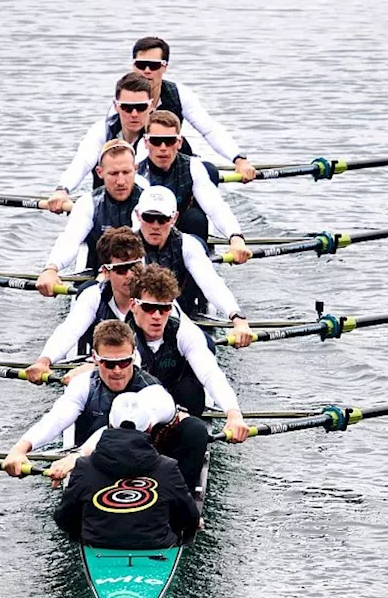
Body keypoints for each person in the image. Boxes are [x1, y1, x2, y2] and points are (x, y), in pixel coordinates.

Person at [125, 264, 250, 491]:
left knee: (196, 428)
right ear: (134, 305)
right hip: (134, 415)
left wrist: (233, 414)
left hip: (177, 412)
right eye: (149, 307)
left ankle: (182, 494)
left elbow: (211, 375)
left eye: (164, 309)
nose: (156, 316)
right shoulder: (122, 338)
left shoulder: (184, 331)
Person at [2, 320, 169, 476]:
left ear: (133, 357)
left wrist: (78, 455)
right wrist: (20, 449)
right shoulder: (84, 384)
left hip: (142, 467)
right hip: (97, 465)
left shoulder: (152, 390)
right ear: (95, 358)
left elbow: (119, 432)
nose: (117, 370)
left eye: (124, 362)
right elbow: (55, 420)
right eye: (109, 363)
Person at [53, 390, 199, 549]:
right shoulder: (168, 468)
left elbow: (63, 518)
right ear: (149, 427)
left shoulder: (84, 467)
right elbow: (190, 518)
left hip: (97, 545)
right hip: (156, 545)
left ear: (109, 425)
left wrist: (81, 534)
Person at [134, 186, 253, 347]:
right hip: (137, 316)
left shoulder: (188, 244)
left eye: (162, 219)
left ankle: (201, 308)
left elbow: (211, 283)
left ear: (174, 218)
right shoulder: (126, 246)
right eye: (149, 217)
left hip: (176, 312)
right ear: (138, 216)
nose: (155, 225)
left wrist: (237, 318)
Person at [25, 227, 145, 384]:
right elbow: (69, 331)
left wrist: (90, 369)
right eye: (121, 269)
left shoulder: (155, 300)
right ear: (106, 272)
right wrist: (44, 361)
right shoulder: (94, 295)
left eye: (134, 267)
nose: (130, 275)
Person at [130, 36, 256, 182]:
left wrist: (239, 160)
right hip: (133, 165)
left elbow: (209, 130)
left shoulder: (180, 94)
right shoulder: (122, 98)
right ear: (133, 66)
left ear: (165, 67)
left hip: (172, 162)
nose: (146, 71)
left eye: (154, 66)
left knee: (209, 171)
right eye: (141, 65)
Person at [35, 139, 146, 294]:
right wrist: (51, 269)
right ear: (100, 173)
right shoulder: (88, 203)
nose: (121, 181)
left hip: (141, 273)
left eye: (126, 172)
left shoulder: (149, 200)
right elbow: (70, 239)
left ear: (135, 169)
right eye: (113, 174)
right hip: (99, 271)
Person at [140, 110, 252, 262]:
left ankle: (197, 261)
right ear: (146, 142)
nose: (163, 147)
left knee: (196, 219)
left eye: (170, 141)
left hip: (178, 228)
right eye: (156, 141)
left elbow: (215, 207)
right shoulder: (135, 170)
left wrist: (236, 238)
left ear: (179, 143)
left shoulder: (192, 166)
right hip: (144, 231)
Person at [46, 72, 155, 213]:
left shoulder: (161, 136)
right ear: (116, 106)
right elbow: (82, 162)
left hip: (150, 212)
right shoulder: (101, 130)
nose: (134, 114)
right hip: (105, 207)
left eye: (141, 107)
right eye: (127, 107)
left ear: (151, 106)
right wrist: (62, 189)